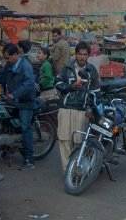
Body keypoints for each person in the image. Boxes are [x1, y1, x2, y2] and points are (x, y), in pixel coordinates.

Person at [55, 41, 100, 170]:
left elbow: (96, 92)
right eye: (79, 54)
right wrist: (70, 87)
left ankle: (75, 170)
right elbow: (57, 84)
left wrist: (92, 109)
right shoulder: (66, 68)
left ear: (88, 56)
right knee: (64, 140)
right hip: (65, 108)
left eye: (85, 55)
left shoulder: (91, 70)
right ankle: (67, 170)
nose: (82, 57)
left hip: (81, 110)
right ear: (75, 55)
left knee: (78, 141)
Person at [0, 44, 37, 170]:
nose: (6, 60)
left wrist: (15, 94)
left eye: (8, 58)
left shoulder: (26, 66)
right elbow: (1, 77)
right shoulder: (9, 65)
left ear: (15, 55)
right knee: (9, 122)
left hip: (25, 101)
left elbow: (29, 83)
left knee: (25, 127)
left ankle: (29, 159)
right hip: (13, 100)